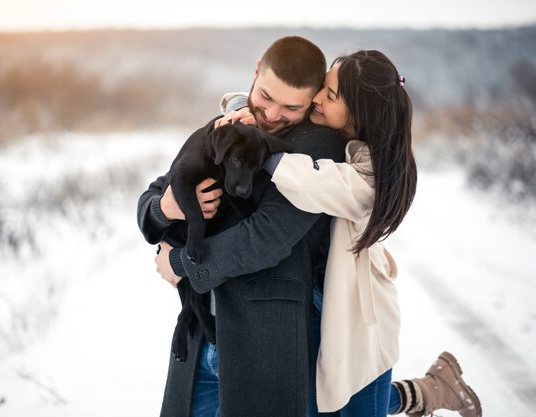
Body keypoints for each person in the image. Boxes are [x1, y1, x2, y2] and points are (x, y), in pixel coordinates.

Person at [219, 50, 482, 417]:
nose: (317, 99)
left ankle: (433, 390)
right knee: (320, 401)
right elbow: (272, 106)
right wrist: (241, 107)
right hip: (312, 301)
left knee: (349, 402)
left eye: (331, 95)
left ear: (359, 112)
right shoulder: (327, 136)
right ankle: (429, 389)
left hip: (357, 317)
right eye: (322, 88)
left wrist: (254, 143)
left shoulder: (371, 172)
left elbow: (313, 183)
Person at [137, 36, 347, 417]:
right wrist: (164, 208)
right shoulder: (228, 126)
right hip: (202, 336)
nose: (270, 114)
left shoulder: (316, 148)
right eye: (266, 96)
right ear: (255, 72)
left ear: (314, 98)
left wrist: (181, 263)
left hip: (263, 340)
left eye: (290, 107)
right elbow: (157, 192)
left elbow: (267, 237)